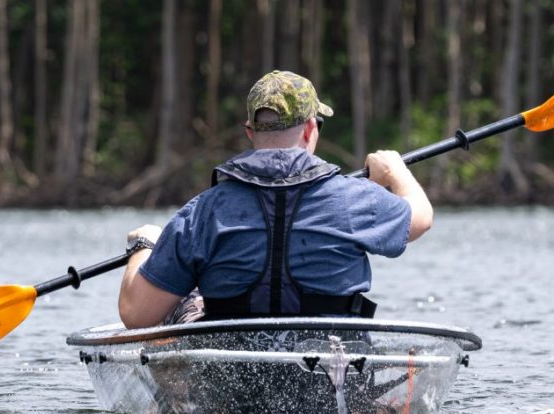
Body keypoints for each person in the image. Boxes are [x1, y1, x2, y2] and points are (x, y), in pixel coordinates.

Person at [117, 70, 432, 329]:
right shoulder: (355, 199)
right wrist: (394, 171)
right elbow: (420, 218)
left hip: (231, 379)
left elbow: (137, 315)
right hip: (331, 373)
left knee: (188, 294)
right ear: (310, 129)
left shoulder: (204, 211)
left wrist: (144, 246)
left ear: (250, 132)